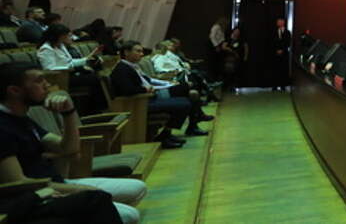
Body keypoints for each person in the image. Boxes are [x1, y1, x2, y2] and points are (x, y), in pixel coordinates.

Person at [0, 62, 146, 223]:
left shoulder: (22, 118)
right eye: (39, 80)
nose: (47, 84)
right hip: (37, 196)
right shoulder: (3, 127)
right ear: (15, 90)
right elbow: (19, 183)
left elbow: (69, 148)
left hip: (57, 183)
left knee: (136, 188)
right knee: (127, 214)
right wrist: (77, 189)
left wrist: (68, 113)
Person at [111, 41, 209, 148]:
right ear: (126, 52)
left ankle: (178, 130)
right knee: (185, 100)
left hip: (149, 97)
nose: (141, 54)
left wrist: (167, 84)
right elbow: (127, 90)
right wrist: (145, 90)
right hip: (140, 104)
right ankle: (168, 134)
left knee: (188, 91)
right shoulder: (122, 69)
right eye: (138, 51)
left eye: (142, 51)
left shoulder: (131, 66)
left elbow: (148, 80)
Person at [36, 24, 106, 113]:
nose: (67, 37)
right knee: (93, 79)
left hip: (70, 74)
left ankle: (97, 106)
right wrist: (74, 68)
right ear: (56, 36)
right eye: (65, 35)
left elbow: (70, 61)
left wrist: (87, 59)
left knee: (96, 75)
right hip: (60, 78)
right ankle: (96, 108)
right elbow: (49, 69)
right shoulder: (46, 49)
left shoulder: (60, 46)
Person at [272, 18, 291, 91]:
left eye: (279, 22)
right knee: (275, 70)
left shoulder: (287, 32)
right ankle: (274, 86)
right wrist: (276, 50)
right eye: (277, 22)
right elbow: (272, 42)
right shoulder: (274, 32)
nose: (278, 23)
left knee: (283, 70)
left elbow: (288, 42)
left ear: (283, 22)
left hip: (284, 54)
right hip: (275, 54)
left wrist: (282, 50)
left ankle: (283, 86)